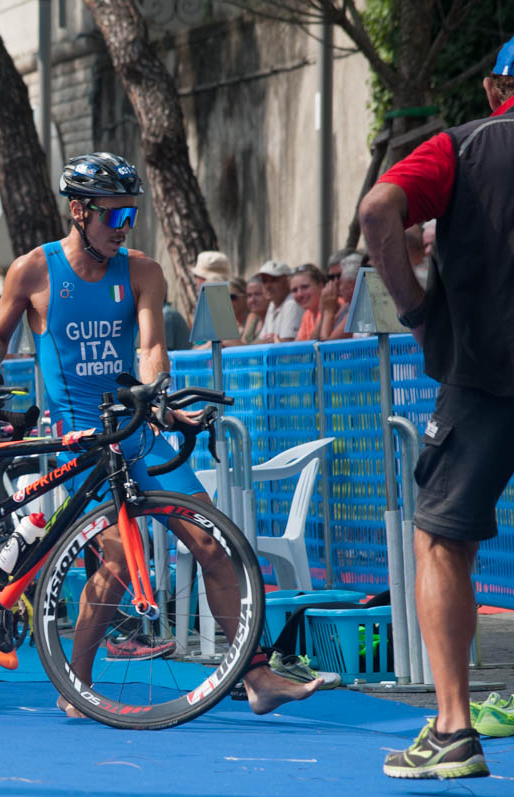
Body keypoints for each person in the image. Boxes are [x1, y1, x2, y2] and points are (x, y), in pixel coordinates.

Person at [0, 152, 321, 719]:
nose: (123, 227)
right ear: (79, 211)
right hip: (83, 439)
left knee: (212, 542)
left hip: (135, 427)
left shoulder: (141, 271)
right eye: (113, 216)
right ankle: (75, 685)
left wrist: (157, 397)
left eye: (131, 214)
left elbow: (152, 346)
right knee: (113, 561)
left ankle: (255, 675)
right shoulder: (33, 270)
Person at [358, 37, 514, 780]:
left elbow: (378, 208)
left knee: (442, 539)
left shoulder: (465, 147)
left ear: (495, 88)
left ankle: (455, 726)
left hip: (483, 373)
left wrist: (416, 305)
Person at [319, 252, 363, 341]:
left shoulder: (359, 308)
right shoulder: (347, 305)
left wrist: (328, 311)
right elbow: (313, 339)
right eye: (331, 277)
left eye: (341, 280)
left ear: (353, 285)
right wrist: (324, 311)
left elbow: (328, 344)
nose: (335, 283)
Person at [256, 260, 302, 343]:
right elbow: (261, 341)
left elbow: (286, 345)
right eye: (264, 281)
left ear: (287, 282)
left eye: (274, 280)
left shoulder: (292, 303)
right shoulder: (272, 304)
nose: (267, 285)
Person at [292, 264, 332, 341]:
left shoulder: (334, 306)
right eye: (294, 290)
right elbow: (297, 347)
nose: (299, 294)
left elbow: (315, 344)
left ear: (321, 286)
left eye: (305, 287)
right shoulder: (307, 314)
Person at [242, 275, 267, 344]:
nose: (252, 300)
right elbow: (244, 343)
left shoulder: (272, 318)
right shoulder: (255, 319)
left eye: (257, 294)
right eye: (249, 295)